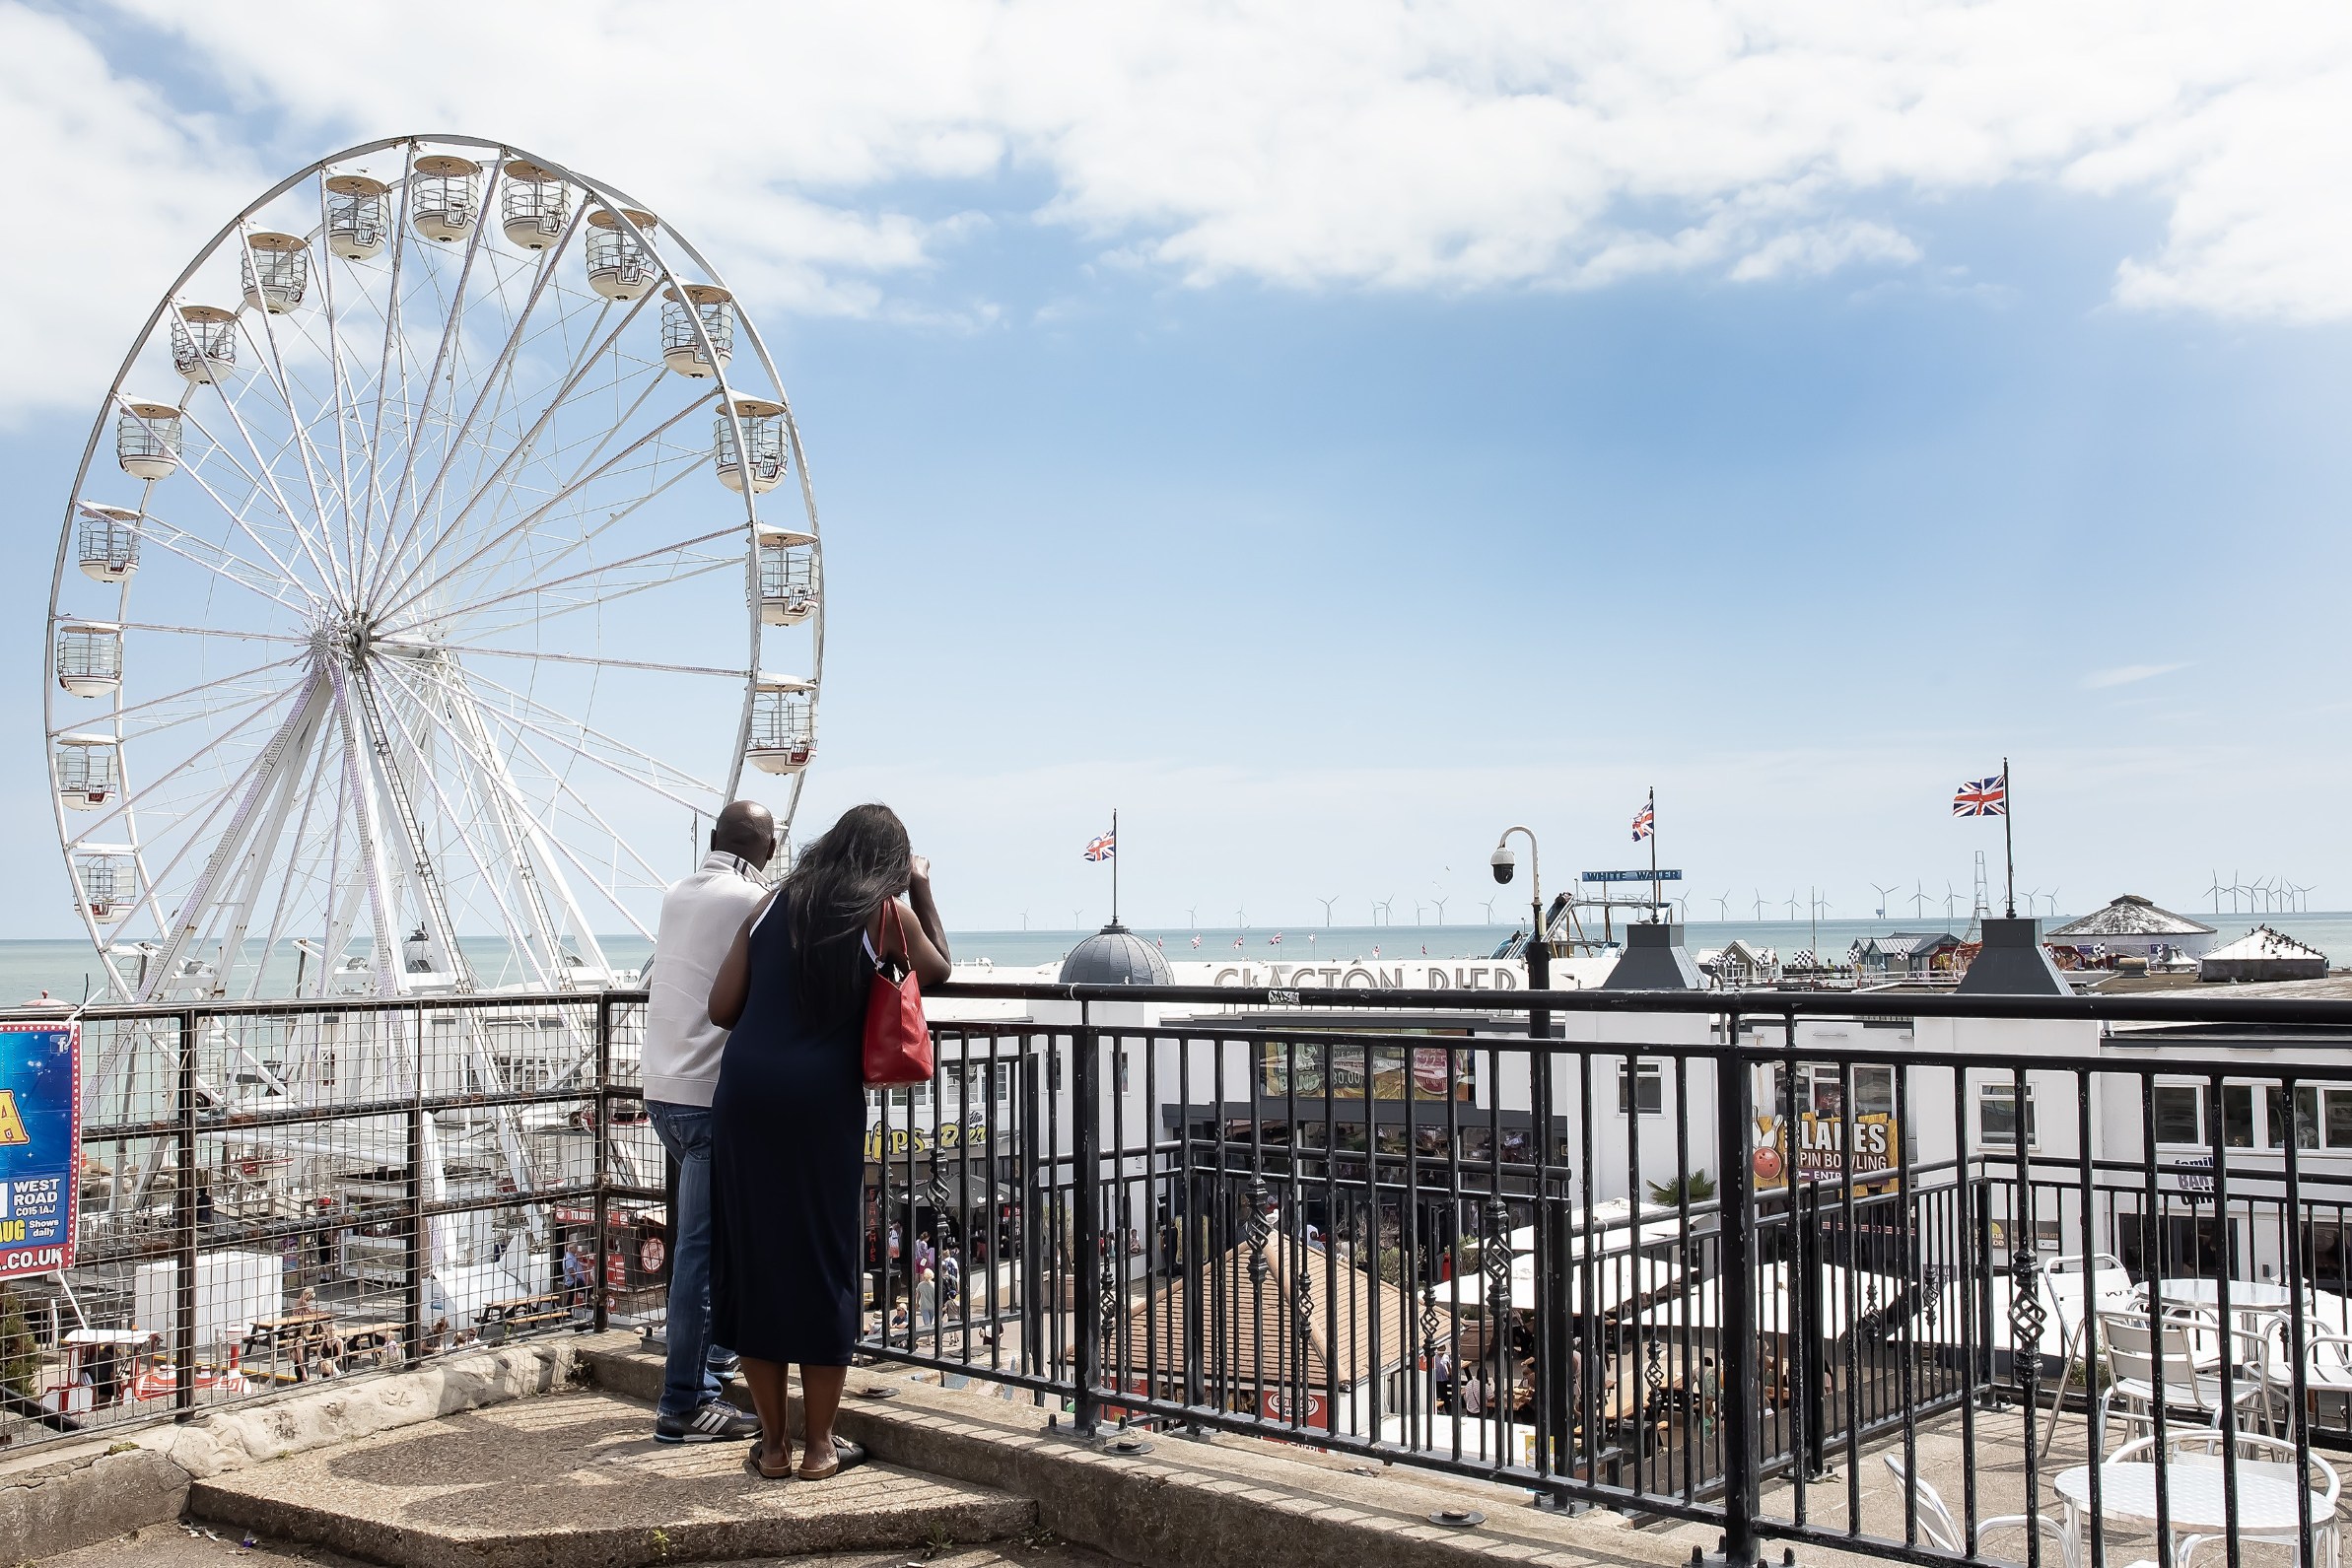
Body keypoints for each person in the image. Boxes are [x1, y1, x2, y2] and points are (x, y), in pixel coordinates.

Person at [710, 803, 950, 1480]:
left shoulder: (768, 905)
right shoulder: (881, 914)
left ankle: (773, 1444)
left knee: (756, 1260)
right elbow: (939, 969)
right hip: (820, 1104)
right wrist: (921, 885)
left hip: (746, 1097)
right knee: (822, 1260)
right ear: (887, 864)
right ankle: (820, 1447)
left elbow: (721, 1007)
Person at [640, 800, 776, 1444]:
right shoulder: (752, 899)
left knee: (716, 1240)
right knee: (701, 1250)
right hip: (707, 1096)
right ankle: (685, 1401)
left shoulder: (676, 893)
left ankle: (712, 1362)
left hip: (661, 1088)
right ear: (765, 850)